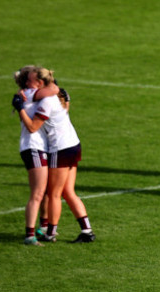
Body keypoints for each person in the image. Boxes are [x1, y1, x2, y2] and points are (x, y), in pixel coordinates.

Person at [12, 67, 95, 243]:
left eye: (31, 80)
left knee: (54, 193)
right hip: (74, 144)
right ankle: (87, 231)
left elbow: (33, 127)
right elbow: (58, 97)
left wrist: (19, 106)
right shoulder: (55, 96)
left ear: (40, 84)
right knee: (68, 192)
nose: (28, 84)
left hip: (60, 148)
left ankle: (50, 232)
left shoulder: (45, 100)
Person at [14, 65, 48, 246]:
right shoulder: (27, 95)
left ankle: (43, 228)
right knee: (38, 193)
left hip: (45, 147)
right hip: (33, 147)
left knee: (47, 192)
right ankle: (30, 234)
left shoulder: (34, 94)